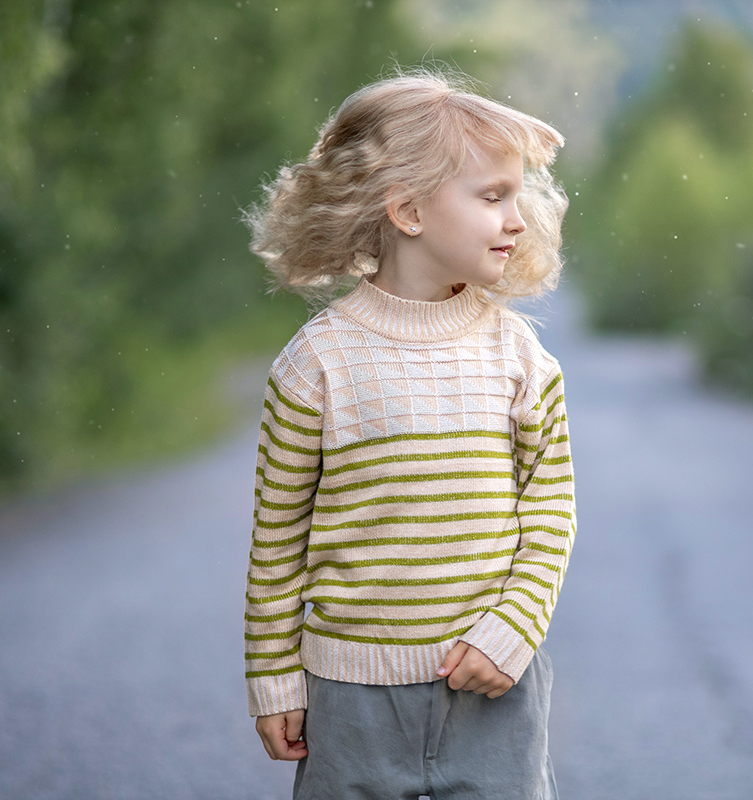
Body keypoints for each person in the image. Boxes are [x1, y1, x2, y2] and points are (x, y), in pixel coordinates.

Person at [241, 68, 576, 799]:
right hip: (350, 700)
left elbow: (549, 512)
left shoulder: (520, 358)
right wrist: (274, 676)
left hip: (492, 686)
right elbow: (277, 539)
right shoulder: (316, 364)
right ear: (409, 212)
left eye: (517, 196)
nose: (516, 220)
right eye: (493, 198)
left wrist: (513, 629)